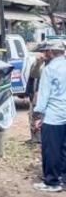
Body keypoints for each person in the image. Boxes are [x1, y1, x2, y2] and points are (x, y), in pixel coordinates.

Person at [33, 40, 66, 192]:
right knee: (63, 149)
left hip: (53, 116)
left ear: (51, 52)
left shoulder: (50, 69)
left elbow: (44, 95)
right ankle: (63, 179)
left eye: (46, 51)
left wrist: (38, 115)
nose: (44, 53)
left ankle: (52, 182)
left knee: (51, 150)